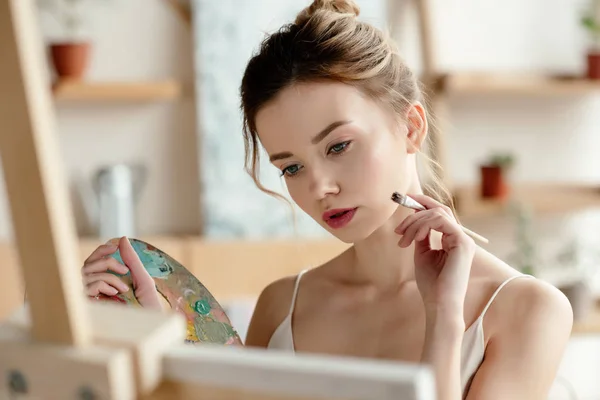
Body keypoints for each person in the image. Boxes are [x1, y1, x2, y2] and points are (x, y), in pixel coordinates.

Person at [81, 1, 573, 398]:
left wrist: (443, 318)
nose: (319, 188)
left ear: (411, 127)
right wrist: (169, 346)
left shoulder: (528, 310)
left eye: (338, 146)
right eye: (291, 167)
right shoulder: (280, 308)